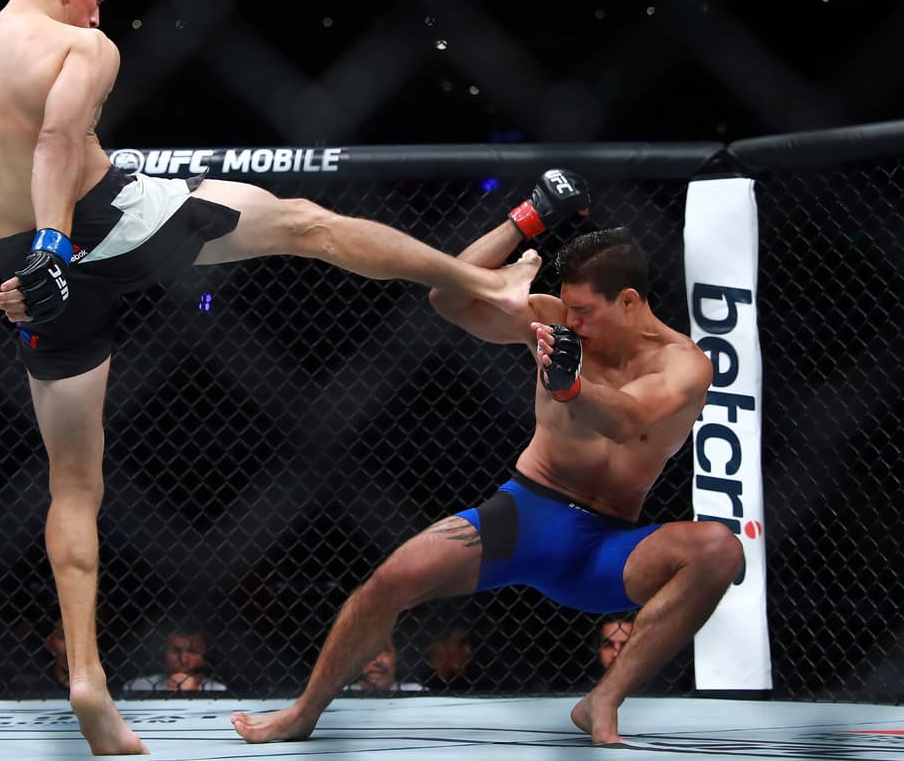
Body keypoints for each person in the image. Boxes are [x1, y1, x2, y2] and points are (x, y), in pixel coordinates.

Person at [0, 0, 577, 755]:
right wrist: (59, 243)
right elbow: (56, 139)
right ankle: (484, 277)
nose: (99, 15)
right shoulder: (82, 47)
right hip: (101, 219)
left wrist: (31, 257)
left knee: (73, 484)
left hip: (27, 265)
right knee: (307, 221)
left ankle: (87, 676)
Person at [231, 226, 743, 746]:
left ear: (629, 300)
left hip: (608, 550)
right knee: (387, 583)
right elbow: (448, 296)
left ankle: (602, 701)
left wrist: (569, 385)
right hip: (526, 516)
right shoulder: (554, 320)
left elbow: (631, 417)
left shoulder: (684, 363)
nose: (575, 322)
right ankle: (304, 712)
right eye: (569, 308)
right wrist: (523, 221)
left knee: (718, 549)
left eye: (586, 311)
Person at [123, 625, 227, 693]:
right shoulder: (137, 687)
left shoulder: (218, 691)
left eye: (192, 652)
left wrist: (193, 693)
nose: (183, 660)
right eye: (176, 651)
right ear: (164, 654)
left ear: (204, 658)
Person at [345, 636, 425, 693]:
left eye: (385, 651)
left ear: (397, 657)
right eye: (367, 651)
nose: (376, 661)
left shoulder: (416, 692)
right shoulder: (340, 696)